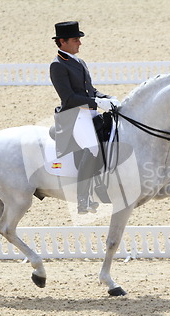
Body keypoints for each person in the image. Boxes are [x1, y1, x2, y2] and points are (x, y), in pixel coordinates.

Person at [50, 21, 120, 214]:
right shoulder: (57, 65)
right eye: (75, 39)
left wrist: (107, 98)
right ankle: (83, 200)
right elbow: (69, 98)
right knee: (92, 148)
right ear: (62, 42)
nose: (79, 43)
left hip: (89, 112)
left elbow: (90, 90)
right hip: (74, 115)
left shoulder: (79, 62)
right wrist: (97, 102)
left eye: (79, 39)